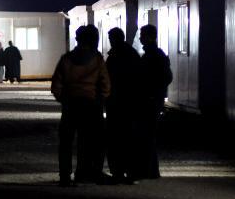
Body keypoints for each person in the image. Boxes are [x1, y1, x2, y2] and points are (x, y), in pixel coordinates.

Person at [51, 25, 111, 186]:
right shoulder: (97, 59)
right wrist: (99, 99)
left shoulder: (66, 59)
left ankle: (64, 176)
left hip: (70, 105)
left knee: (66, 142)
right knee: (89, 141)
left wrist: (64, 99)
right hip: (91, 106)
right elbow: (106, 85)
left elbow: (56, 86)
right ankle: (84, 173)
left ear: (77, 40)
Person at [135, 24, 172, 179]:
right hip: (153, 99)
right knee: (148, 135)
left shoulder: (153, 56)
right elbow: (167, 77)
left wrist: (151, 92)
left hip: (150, 100)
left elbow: (164, 77)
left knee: (146, 134)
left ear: (150, 37)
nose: (141, 38)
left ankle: (148, 170)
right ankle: (150, 170)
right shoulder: (157, 55)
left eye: (143, 35)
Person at [105, 27, 140, 183]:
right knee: (129, 137)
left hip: (116, 102)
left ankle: (117, 171)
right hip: (130, 103)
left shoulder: (113, 56)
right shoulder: (132, 54)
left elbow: (107, 78)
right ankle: (131, 171)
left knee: (115, 138)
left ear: (114, 39)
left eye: (111, 38)